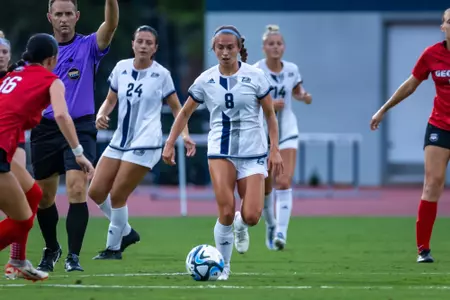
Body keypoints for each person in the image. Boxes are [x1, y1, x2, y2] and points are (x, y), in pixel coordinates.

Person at [162, 25, 283, 280]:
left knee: (251, 216)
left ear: (239, 48)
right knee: (225, 211)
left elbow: (270, 115)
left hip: (253, 153)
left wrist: (275, 149)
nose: (225, 52)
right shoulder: (205, 80)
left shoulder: (256, 76)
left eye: (230, 47)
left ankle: (241, 225)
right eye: (220, 47)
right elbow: (184, 112)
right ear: (213, 49)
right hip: (220, 151)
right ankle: (224, 267)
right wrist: (170, 142)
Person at [88, 25, 196, 259]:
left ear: (155, 48)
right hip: (120, 140)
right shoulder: (121, 68)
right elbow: (109, 100)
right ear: (133, 44)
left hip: (147, 142)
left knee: (117, 195)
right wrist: (101, 114)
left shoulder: (162, 74)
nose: (144, 46)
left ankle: (113, 248)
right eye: (140, 41)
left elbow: (179, 109)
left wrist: (184, 135)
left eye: (149, 42)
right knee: (95, 191)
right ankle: (125, 231)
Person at [30, 0, 118, 272]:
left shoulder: (89, 45)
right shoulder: (38, 53)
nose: (64, 19)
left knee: (77, 188)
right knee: (44, 197)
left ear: (77, 16)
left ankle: (74, 256)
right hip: (44, 129)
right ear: (50, 17)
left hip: (80, 126)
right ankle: (52, 249)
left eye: (69, 14)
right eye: (59, 14)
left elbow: (111, 25)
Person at [0, 33, 94, 281]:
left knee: (34, 195)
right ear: (52, 59)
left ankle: (18, 261)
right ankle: (17, 261)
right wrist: (79, 153)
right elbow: (62, 116)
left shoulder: (12, 76)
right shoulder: (52, 80)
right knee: (22, 221)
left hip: (4, 151)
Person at [370, 8, 450, 263]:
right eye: (449, 22)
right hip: (440, 126)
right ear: (443, 27)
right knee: (433, 183)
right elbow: (411, 84)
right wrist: (383, 109)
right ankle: (423, 249)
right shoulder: (432, 54)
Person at [253, 25, 312, 251]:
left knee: (284, 180)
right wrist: (267, 104)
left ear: (284, 47)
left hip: (287, 129)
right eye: (271, 44)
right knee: (267, 188)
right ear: (264, 48)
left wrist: (303, 96)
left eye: (279, 43)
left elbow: (297, 91)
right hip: (263, 133)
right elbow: (248, 98)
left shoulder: (291, 69)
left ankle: (281, 233)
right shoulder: (256, 70)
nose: (275, 47)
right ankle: (271, 225)